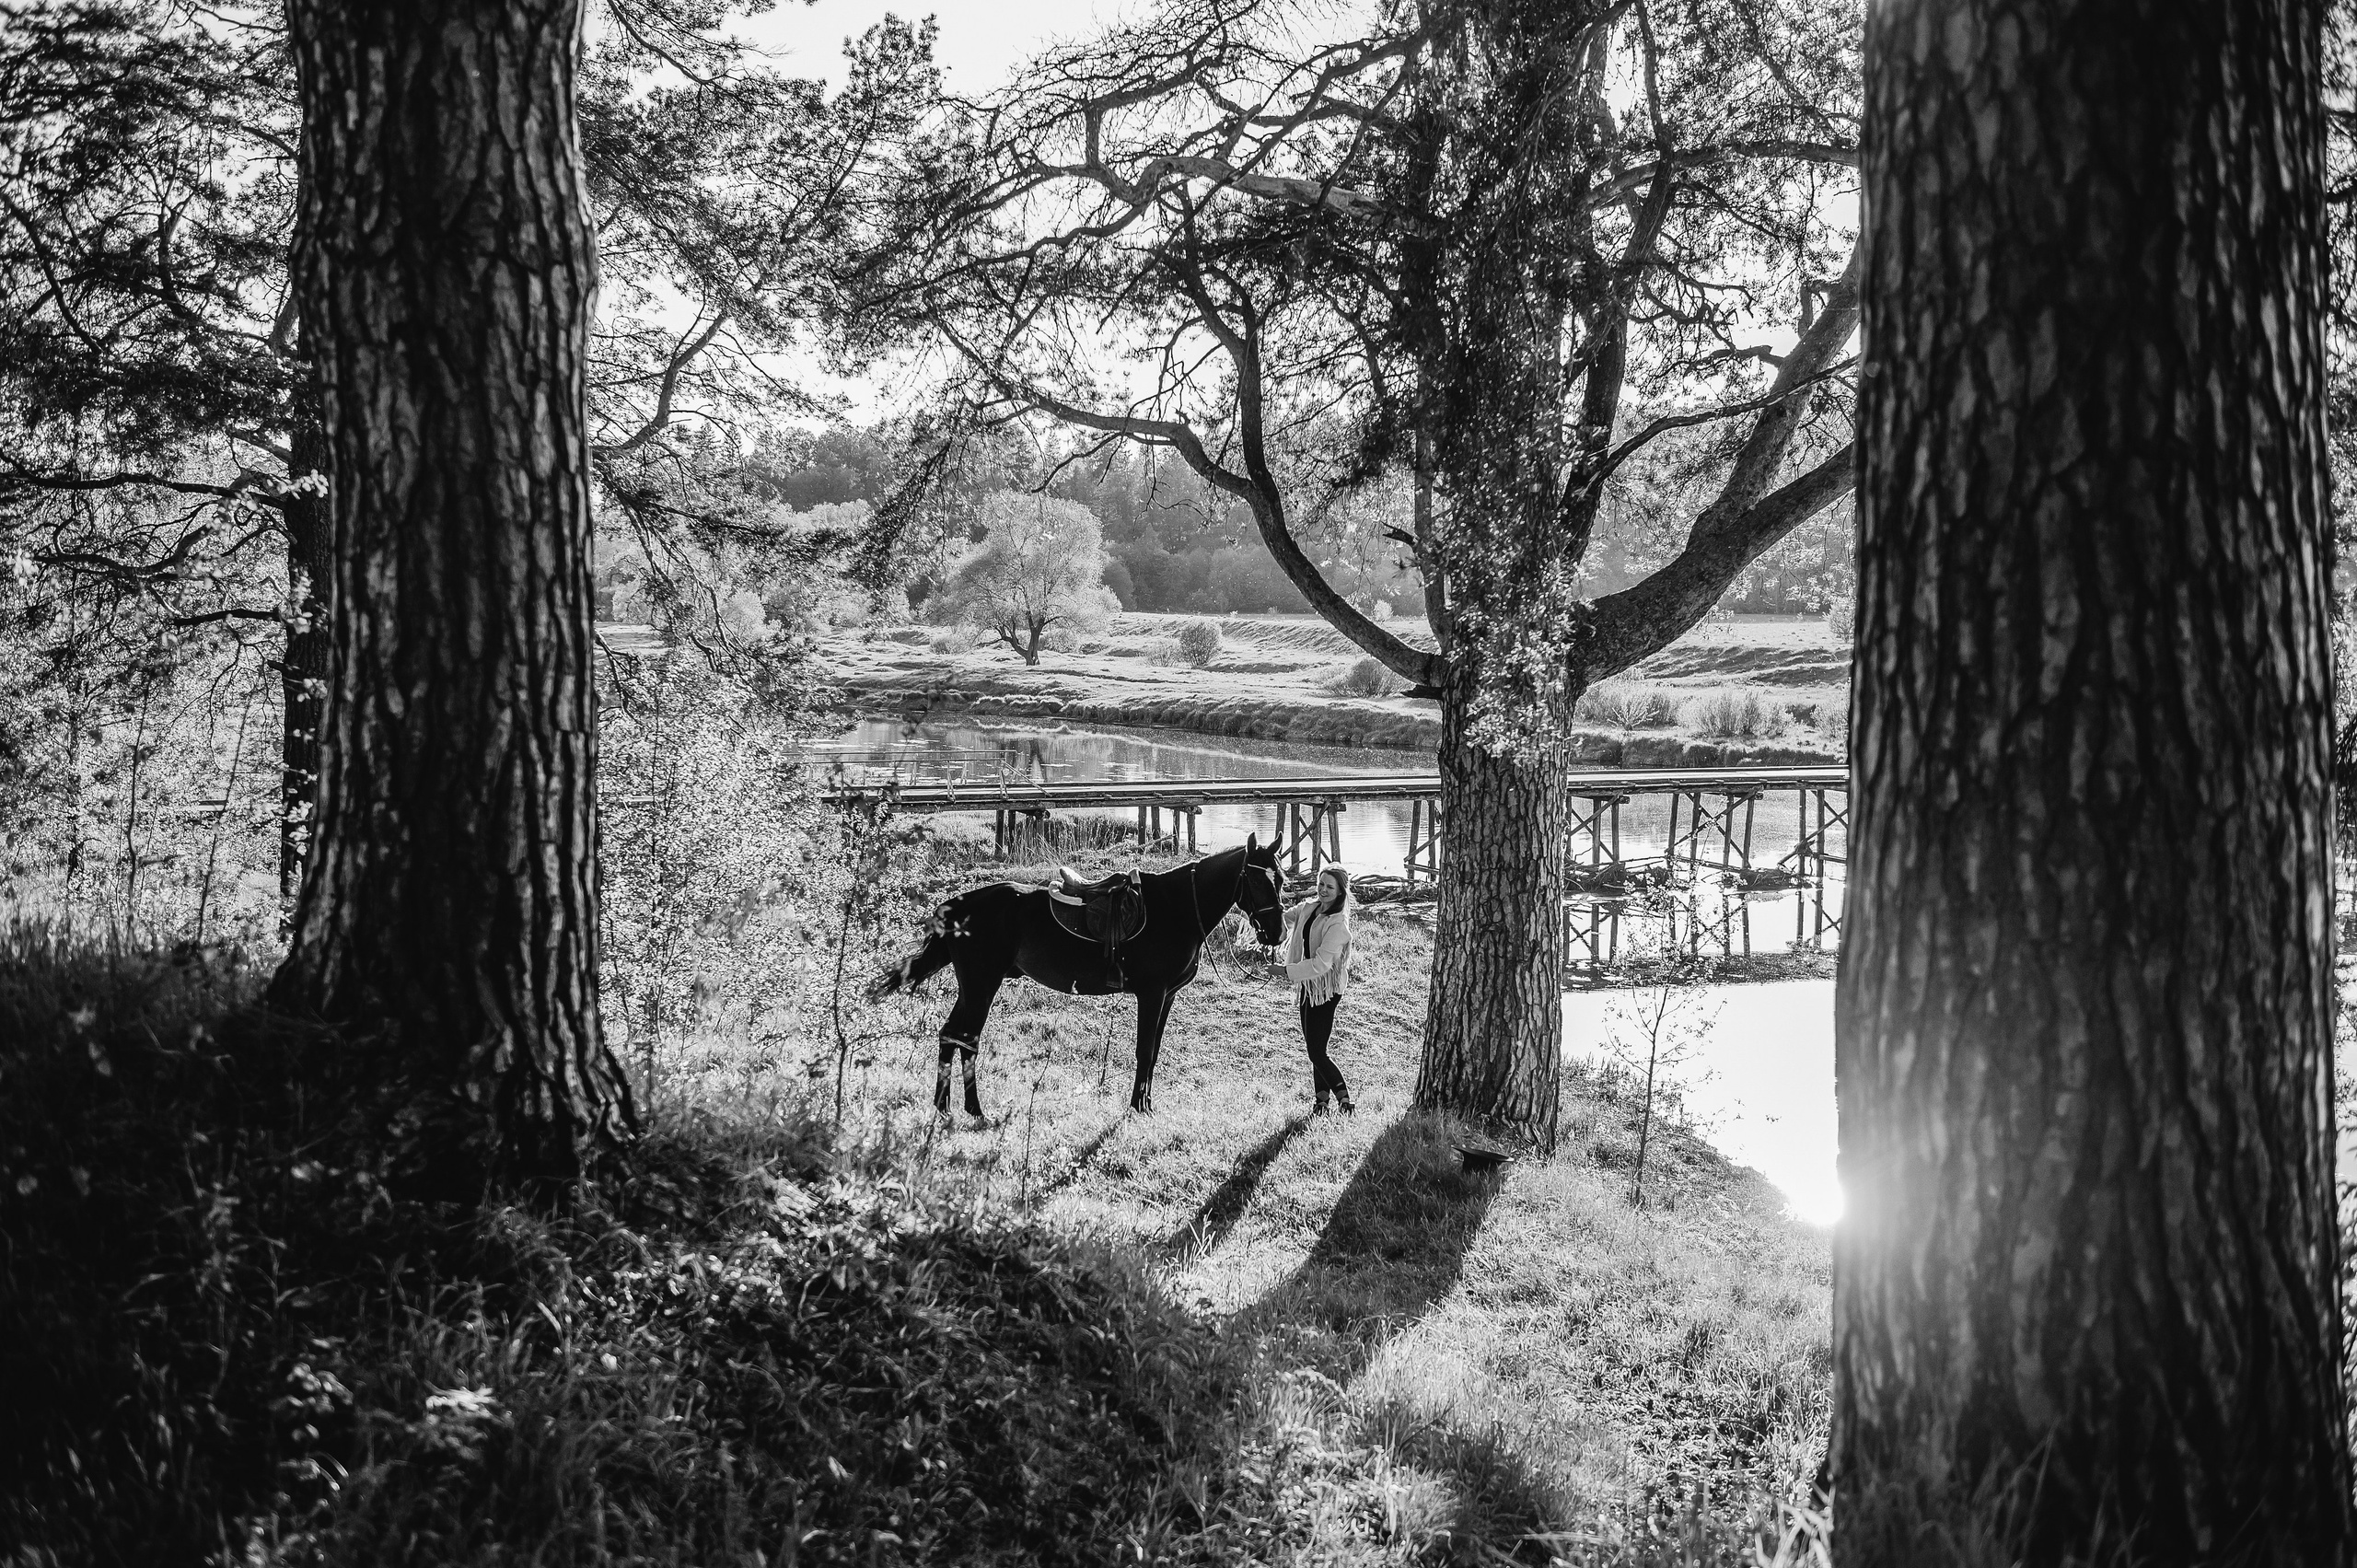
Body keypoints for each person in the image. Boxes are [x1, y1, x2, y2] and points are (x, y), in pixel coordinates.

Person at [1283, 865, 1354, 1113]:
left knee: (1315, 1050)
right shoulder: (1309, 909)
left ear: (1340, 892)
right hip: (1307, 986)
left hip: (1326, 990)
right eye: (1321, 884)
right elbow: (1284, 918)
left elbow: (1321, 964)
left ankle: (1345, 1100)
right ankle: (1321, 1103)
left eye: (1330, 887)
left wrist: (1284, 971)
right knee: (1316, 1048)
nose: (1323, 890)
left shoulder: (1338, 925)